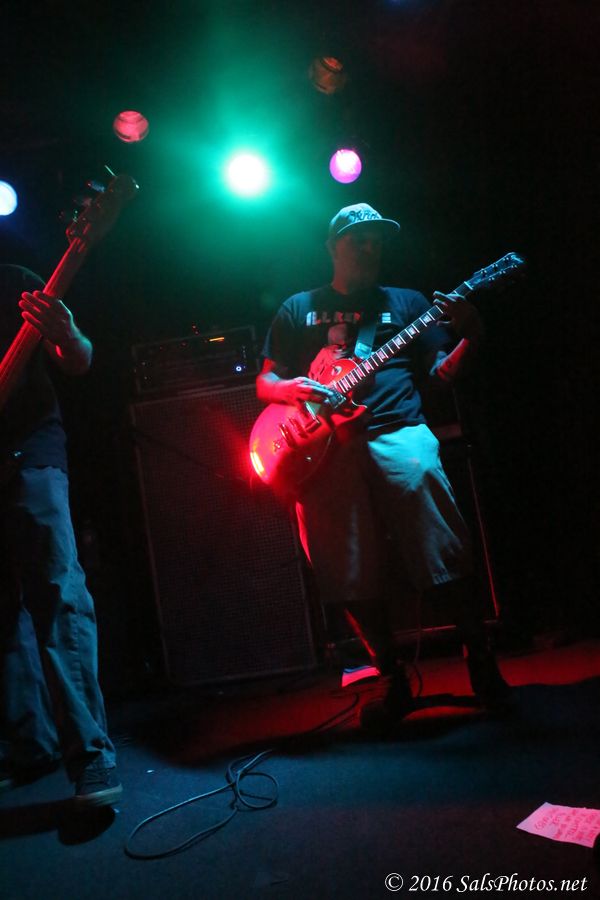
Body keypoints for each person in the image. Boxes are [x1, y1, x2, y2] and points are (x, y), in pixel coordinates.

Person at [256, 203, 510, 721]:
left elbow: (441, 374)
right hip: (323, 448)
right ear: (333, 246)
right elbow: (266, 382)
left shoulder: (408, 303)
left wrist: (471, 335)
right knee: (344, 568)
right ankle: (390, 673)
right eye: (359, 239)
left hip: (398, 431)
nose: (370, 247)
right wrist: (291, 388)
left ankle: (479, 657)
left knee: (442, 547)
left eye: (377, 240)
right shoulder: (298, 308)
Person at [0, 263, 122, 805]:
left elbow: (79, 360)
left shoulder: (13, 282)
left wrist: (67, 333)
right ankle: (32, 746)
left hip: (30, 454)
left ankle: (92, 755)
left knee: (58, 596)